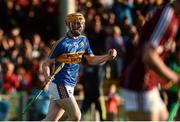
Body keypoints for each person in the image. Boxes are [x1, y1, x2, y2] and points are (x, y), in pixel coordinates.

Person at [41, 12, 117, 121]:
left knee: (50, 120)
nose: (80, 26)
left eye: (81, 23)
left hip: (70, 85)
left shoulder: (84, 40)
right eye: (76, 23)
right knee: (76, 116)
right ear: (69, 25)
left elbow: (91, 59)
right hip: (60, 84)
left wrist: (107, 57)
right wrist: (46, 75)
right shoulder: (61, 43)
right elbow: (45, 64)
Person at [120, 0, 180, 121]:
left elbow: (155, 53)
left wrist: (162, 76)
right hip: (138, 83)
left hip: (149, 84)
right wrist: (175, 77)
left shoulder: (174, 18)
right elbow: (148, 55)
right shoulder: (168, 16)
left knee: (164, 118)